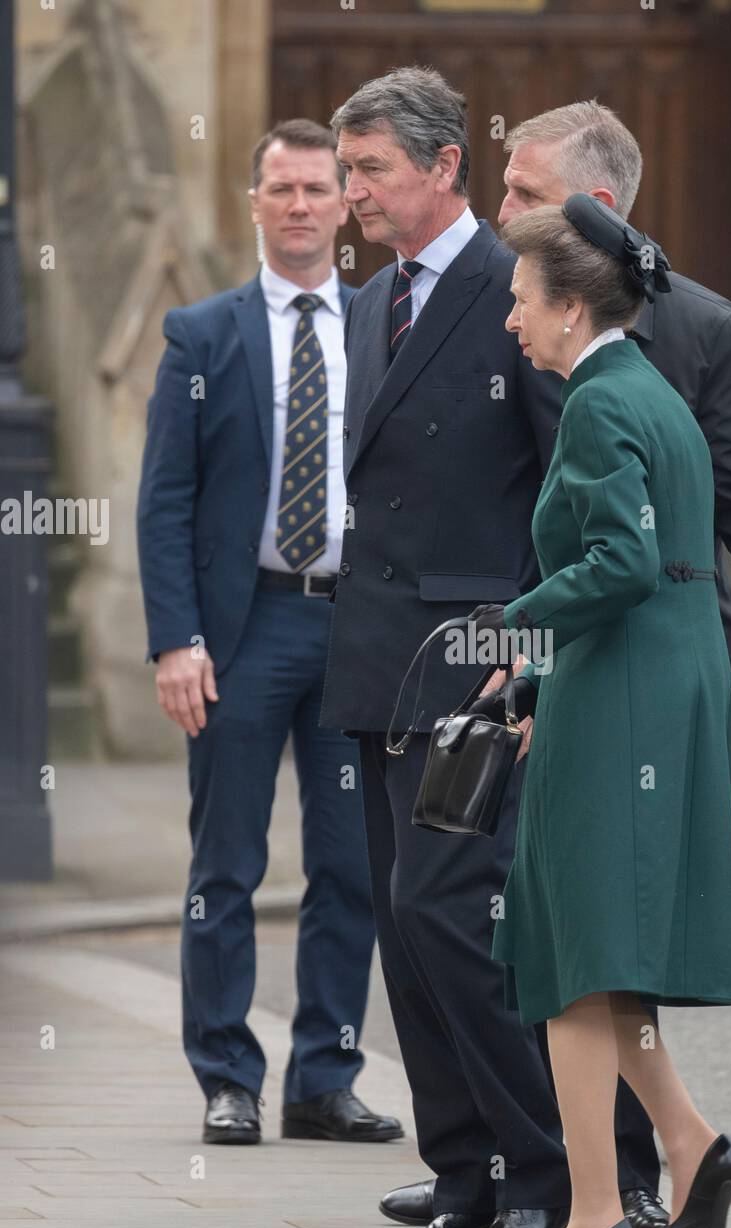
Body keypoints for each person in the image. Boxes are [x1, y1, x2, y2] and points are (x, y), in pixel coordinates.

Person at [379, 98, 731, 1228]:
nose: (496, 213)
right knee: (474, 914)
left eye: (522, 192)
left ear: (593, 214)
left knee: (582, 932)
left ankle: (607, 1187)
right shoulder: (479, 306)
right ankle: (506, 1170)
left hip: (596, 659)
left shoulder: (689, 328)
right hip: (515, 660)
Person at [317, 67, 581, 1228]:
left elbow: (560, 484)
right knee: (406, 930)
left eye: (372, 169)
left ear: (443, 168)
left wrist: (528, 651)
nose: (352, 191)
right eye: (348, 169)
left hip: (475, 664)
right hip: (379, 660)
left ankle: (542, 1176)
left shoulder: (514, 286)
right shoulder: (372, 303)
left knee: (460, 919)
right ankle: (460, 1174)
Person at [477, 194, 731, 1228]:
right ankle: (690, 1147)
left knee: (572, 960)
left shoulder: (598, 402)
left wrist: (513, 622)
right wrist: (547, 667)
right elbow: (654, 561)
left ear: (569, 306)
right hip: (648, 677)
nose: (510, 322)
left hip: (629, 692)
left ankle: (595, 1212)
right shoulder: (643, 389)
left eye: (518, 302)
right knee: (597, 956)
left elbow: (624, 564)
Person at [137, 119, 399, 1147]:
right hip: (241, 631)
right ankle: (227, 1078)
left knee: (348, 867)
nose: (298, 206)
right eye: (279, 189)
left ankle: (323, 1079)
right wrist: (175, 640)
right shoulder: (201, 335)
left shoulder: (383, 321)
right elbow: (164, 501)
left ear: (344, 205)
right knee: (226, 864)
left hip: (353, 629)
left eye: (316, 189)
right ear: (253, 201)